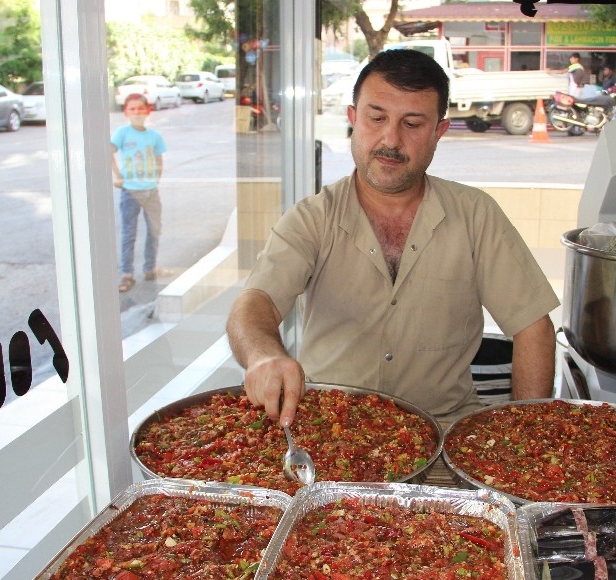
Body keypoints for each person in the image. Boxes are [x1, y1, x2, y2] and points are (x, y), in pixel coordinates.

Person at [226, 48, 558, 428]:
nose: (391, 139)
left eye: (412, 124)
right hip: (329, 429)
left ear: (439, 132)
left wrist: (526, 433)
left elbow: (533, 325)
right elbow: (255, 303)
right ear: (353, 119)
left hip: (446, 430)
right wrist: (263, 355)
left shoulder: (476, 215)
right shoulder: (313, 219)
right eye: (376, 117)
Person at [111, 93, 167, 293]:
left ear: (148, 111)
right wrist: (118, 176)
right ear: (126, 112)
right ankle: (127, 273)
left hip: (151, 190)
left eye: (140, 108)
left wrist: (156, 179)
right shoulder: (122, 133)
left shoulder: (153, 136)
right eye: (132, 109)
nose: (137, 112)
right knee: (129, 233)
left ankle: (150, 267)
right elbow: (108, 151)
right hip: (130, 192)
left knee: (154, 230)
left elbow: (159, 158)